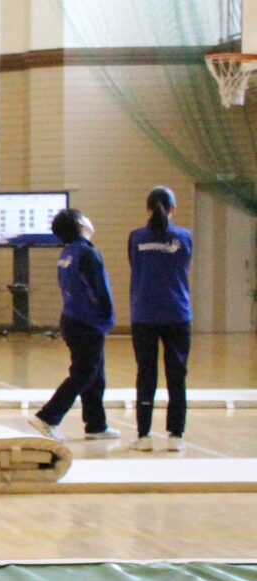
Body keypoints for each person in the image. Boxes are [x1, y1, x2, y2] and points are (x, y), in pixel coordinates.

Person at [29, 208, 118, 443]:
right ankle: (47, 417)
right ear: (80, 223)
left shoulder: (67, 253)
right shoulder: (88, 254)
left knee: (95, 374)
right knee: (84, 373)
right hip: (87, 322)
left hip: (72, 319)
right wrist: (108, 318)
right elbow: (100, 291)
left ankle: (96, 425)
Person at [127, 185, 192, 451]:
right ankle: (176, 435)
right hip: (177, 313)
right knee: (176, 374)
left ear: (147, 208)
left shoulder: (136, 237)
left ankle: (143, 435)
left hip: (144, 313)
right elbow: (183, 267)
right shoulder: (184, 237)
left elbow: (135, 265)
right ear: (173, 209)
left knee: (146, 373)